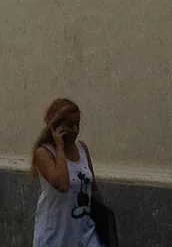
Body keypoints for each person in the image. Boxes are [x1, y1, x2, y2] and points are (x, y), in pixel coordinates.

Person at [30, 98, 104, 247]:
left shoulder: (82, 149)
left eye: (78, 124)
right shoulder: (44, 153)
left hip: (85, 233)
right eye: (70, 125)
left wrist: (103, 219)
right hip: (55, 235)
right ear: (56, 127)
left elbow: (93, 187)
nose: (76, 130)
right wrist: (59, 147)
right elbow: (62, 184)